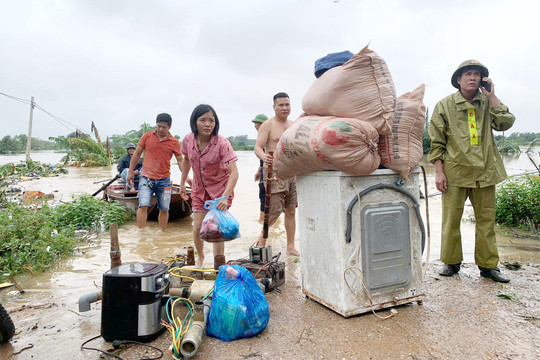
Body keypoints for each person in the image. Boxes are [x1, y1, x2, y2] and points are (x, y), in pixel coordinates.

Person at [428, 59, 515, 283]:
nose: (473, 78)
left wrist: (492, 96)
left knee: (486, 221)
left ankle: (488, 267)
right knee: (451, 219)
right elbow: (436, 143)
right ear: (459, 79)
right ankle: (451, 262)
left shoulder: (487, 103)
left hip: (486, 173)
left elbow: (505, 123)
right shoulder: (444, 105)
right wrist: (439, 172)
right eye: (468, 74)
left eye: (477, 74)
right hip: (455, 173)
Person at [180, 104, 239, 267]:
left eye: (211, 121)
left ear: (216, 123)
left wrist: (225, 198)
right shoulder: (188, 140)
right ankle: (200, 258)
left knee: (216, 229)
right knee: (197, 226)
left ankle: (218, 262)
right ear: (195, 122)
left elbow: (234, 173)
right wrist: (183, 182)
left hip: (220, 191)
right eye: (203, 120)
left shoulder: (222, 143)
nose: (207, 124)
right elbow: (186, 159)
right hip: (199, 190)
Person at [254, 92, 300, 256]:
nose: (284, 108)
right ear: (274, 107)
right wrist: (263, 156)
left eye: (287, 104)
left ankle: (291, 246)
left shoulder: (294, 125)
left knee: (291, 210)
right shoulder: (268, 125)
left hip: (291, 172)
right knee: (273, 211)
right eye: (281, 105)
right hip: (273, 172)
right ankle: (262, 238)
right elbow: (258, 147)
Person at [127, 113, 185, 231]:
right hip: (146, 178)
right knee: (143, 205)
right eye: (158, 126)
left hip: (164, 180)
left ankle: (162, 233)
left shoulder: (174, 142)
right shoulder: (147, 137)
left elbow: (180, 161)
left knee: (164, 208)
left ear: (169, 127)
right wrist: (130, 172)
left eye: (164, 127)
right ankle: (141, 234)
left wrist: (185, 177)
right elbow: (137, 154)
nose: (160, 129)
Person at [252, 114, 268, 223]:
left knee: (264, 194)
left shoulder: (266, 137)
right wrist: (259, 170)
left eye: (256, 123)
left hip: (268, 171)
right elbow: (264, 158)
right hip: (264, 169)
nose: (255, 126)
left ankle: (262, 220)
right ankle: (271, 220)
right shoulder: (262, 137)